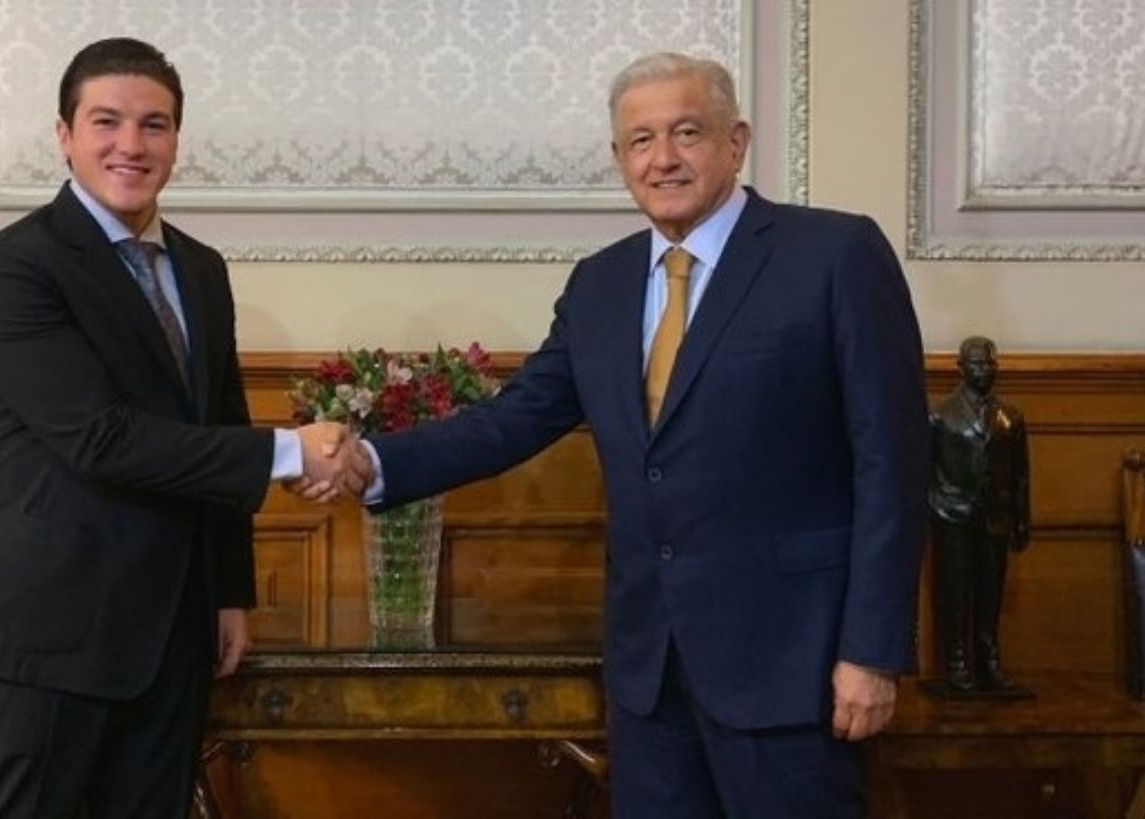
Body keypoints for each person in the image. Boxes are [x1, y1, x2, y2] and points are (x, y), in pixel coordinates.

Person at [307, 51, 930, 818]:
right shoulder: (601, 282)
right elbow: (514, 419)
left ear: (736, 142)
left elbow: (892, 465)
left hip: (792, 668)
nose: (662, 158)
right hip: (649, 677)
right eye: (641, 140)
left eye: (686, 132)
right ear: (619, 158)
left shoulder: (834, 255)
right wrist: (370, 460)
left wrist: (872, 650)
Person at [0, 37, 360, 819]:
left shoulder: (201, 269)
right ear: (65, 135)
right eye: (106, 122)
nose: (131, 145)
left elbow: (219, 420)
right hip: (51, 640)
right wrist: (292, 450)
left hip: (174, 634)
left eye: (155, 124)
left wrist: (229, 592)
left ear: (176, 139)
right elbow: (97, 438)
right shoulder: (15, 266)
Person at [929, 336, 1030, 693]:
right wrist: (935, 508)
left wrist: (1022, 520)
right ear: (960, 367)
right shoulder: (940, 415)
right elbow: (926, 471)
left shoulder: (1010, 418)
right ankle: (956, 661)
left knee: (991, 591)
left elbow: (1020, 475)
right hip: (953, 517)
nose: (983, 370)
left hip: (995, 517)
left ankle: (989, 658)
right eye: (975, 363)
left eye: (989, 363)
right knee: (955, 590)